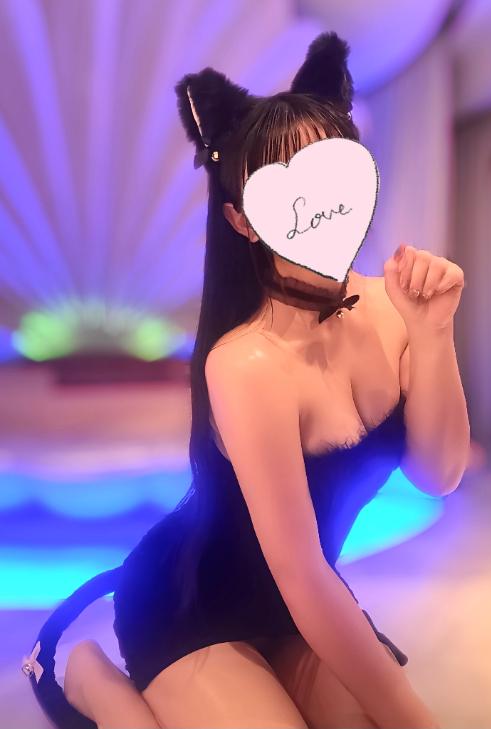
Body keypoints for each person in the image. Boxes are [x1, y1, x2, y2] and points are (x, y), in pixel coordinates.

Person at [22, 32, 442, 729]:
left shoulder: (398, 304)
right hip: (191, 598)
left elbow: (439, 473)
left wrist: (435, 332)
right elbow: (302, 572)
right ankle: (92, 675)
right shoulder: (245, 359)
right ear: (242, 220)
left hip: (300, 594)